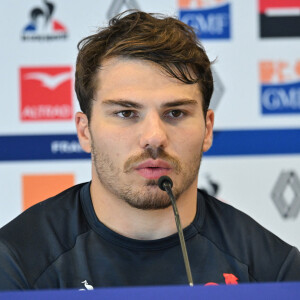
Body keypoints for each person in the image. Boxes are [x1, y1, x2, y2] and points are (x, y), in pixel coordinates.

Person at [0, 11, 300, 291]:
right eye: (126, 113)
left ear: (207, 129)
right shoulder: (16, 263)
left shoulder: (273, 272)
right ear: (84, 130)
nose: (154, 138)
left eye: (176, 113)